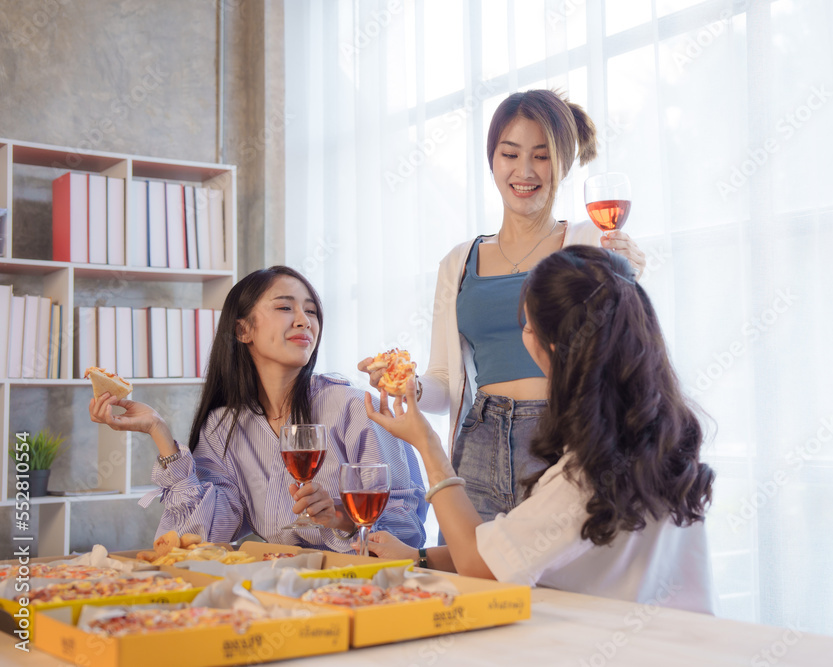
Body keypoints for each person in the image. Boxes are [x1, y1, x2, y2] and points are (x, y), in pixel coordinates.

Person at [362, 246, 715, 612]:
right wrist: (417, 557)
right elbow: (524, 546)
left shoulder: (584, 477)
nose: (523, 336)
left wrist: (427, 443)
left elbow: (479, 565)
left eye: (527, 326)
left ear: (557, 350)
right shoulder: (665, 440)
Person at [360, 89, 647, 522]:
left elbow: (623, 347)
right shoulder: (458, 262)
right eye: (509, 154)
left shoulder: (591, 241)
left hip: (564, 440)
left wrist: (631, 275)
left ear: (564, 163)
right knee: (469, 578)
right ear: (492, 160)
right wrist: (411, 388)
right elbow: (445, 381)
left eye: (542, 156)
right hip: (479, 442)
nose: (524, 171)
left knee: (555, 583)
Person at [89, 266, 427, 550]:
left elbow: (406, 529)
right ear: (243, 330)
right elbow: (201, 537)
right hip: (278, 589)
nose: (303, 321)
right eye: (285, 308)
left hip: (356, 588)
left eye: (311, 311)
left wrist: (343, 519)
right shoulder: (225, 426)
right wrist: (159, 433)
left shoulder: (354, 407)